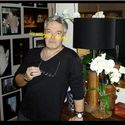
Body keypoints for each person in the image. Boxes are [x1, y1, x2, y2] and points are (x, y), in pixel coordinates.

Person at [14, 15, 84, 121]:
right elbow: (17, 81)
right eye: (49, 31)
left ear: (63, 35)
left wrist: (79, 115)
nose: (52, 37)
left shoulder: (71, 58)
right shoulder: (32, 53)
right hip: (25, 114)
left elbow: (77, 89)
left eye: (58, 33)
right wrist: (26, 77)